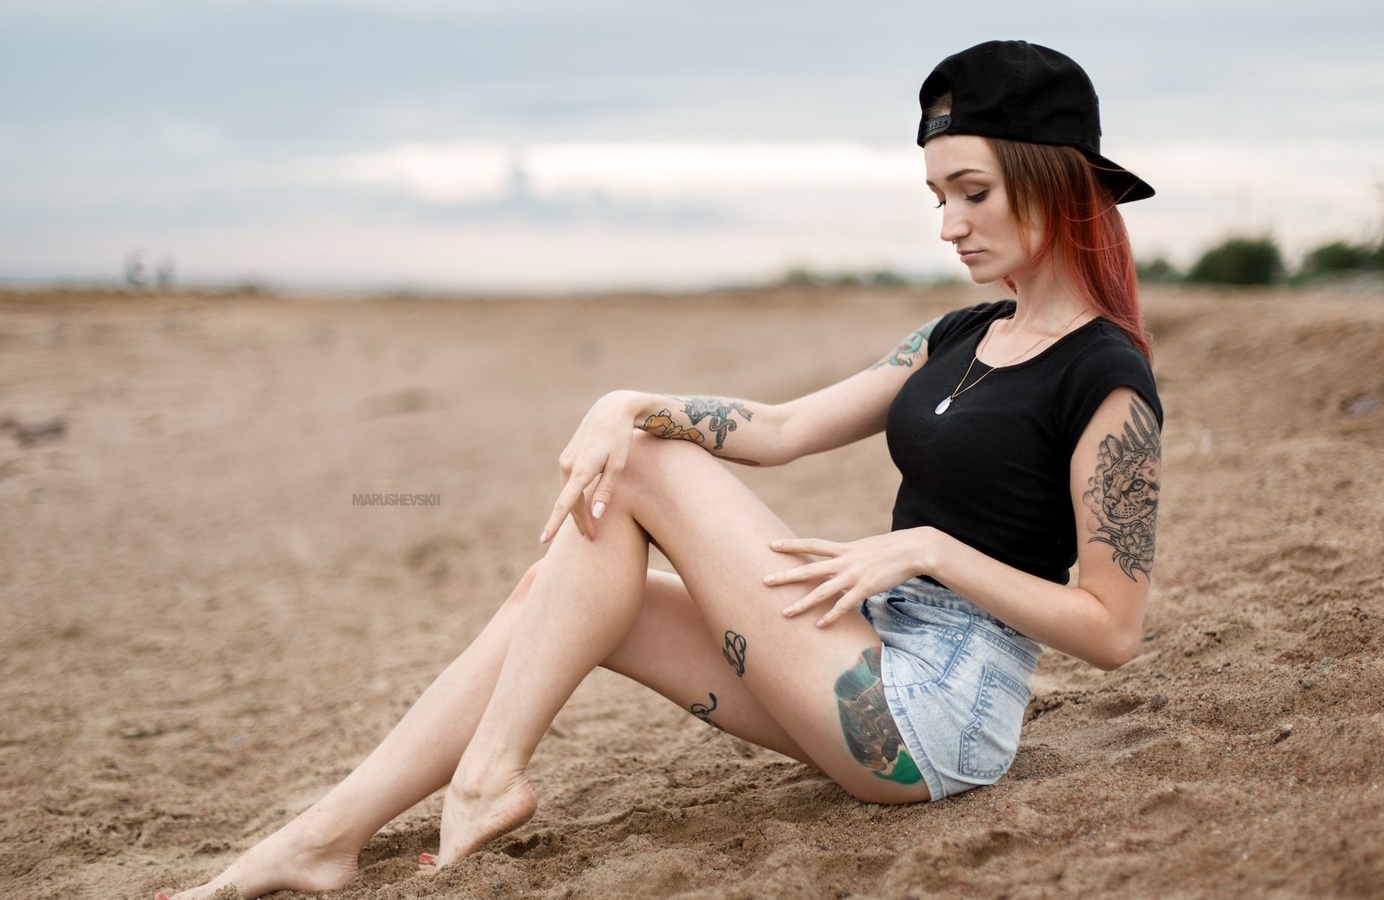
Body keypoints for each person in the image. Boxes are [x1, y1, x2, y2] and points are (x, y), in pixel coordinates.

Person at [159, 39, 1162, 900]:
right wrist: (620, 400)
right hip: (856, 666)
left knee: (634, 469)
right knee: (562, 589)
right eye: (939, 196)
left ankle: (485, 777)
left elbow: (1113, 629)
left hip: (934, 719)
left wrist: (930, 548)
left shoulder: (1105, 379)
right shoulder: (960, 333)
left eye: (972, 193)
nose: (948, 225)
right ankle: (324, 839)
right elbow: (777, 428)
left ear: (1055, 177)